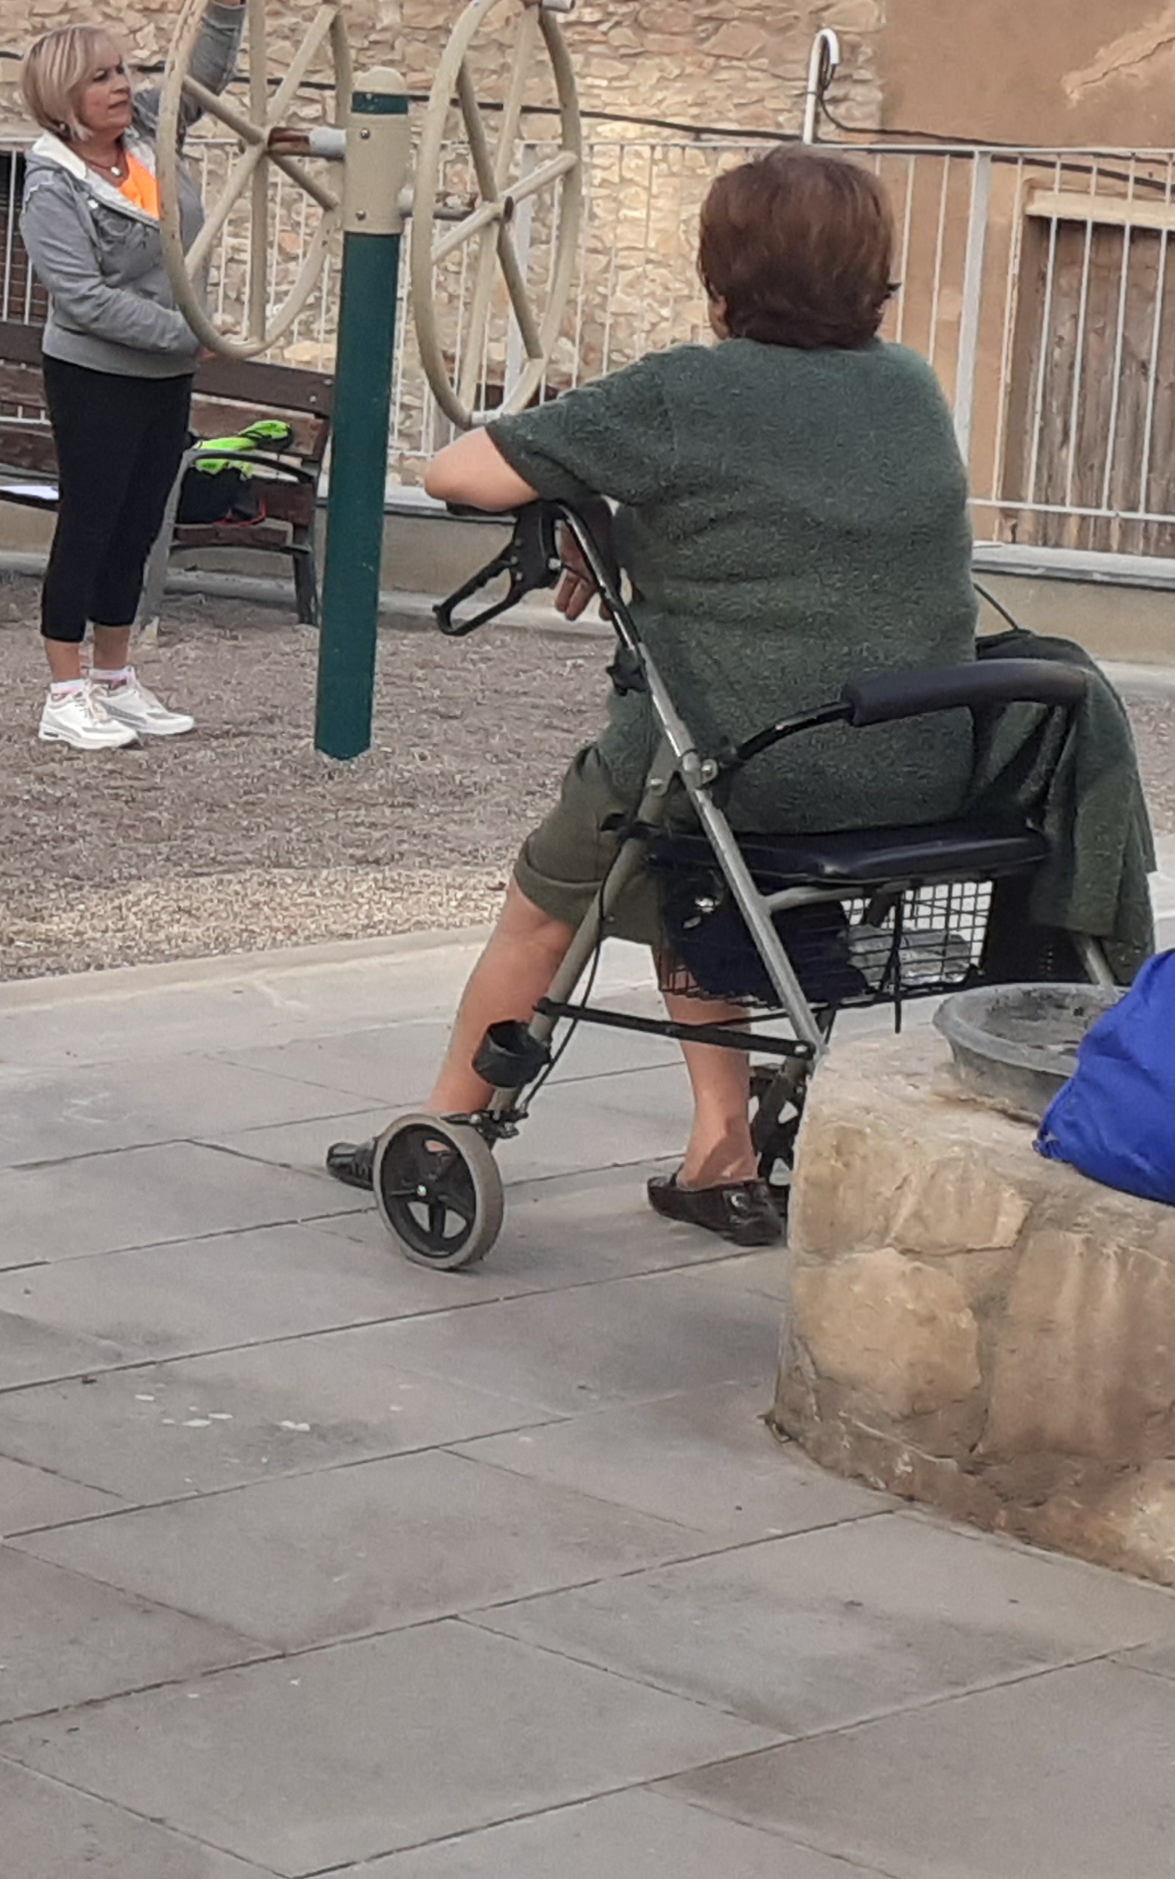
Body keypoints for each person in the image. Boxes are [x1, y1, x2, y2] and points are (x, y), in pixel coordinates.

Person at [346, 147, 983, 1244]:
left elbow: (457, 472)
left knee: (554, 901)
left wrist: (587, 497)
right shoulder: (910, 388)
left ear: (722, 274)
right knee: (687, 861)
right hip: (916, 764)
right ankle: (719, 1152)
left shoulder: (686, 392)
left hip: (742, 761)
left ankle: (442, 1129)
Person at [12, 0, 241, 747]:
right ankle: (64, 692)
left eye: (120, 72)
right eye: (100, 78)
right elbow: (82, 298)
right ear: (62, 98)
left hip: (164, 374)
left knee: (141, 524)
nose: (120, 86)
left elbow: (200, 78)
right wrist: (186, 331)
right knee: (91, 523)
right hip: (94, 375)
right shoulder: (52, 186)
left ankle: (114, 678)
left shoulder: (145, 134)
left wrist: (225, 1)